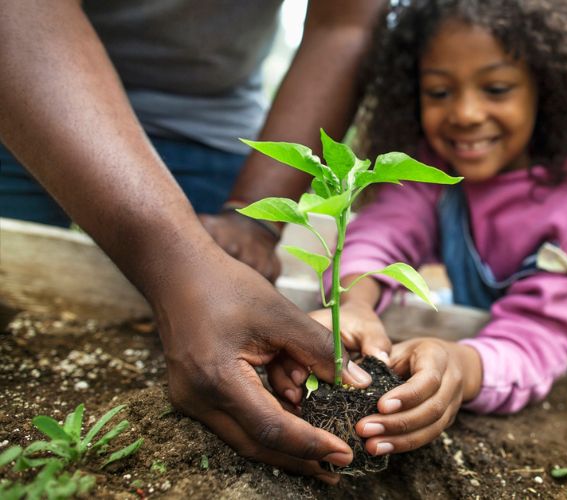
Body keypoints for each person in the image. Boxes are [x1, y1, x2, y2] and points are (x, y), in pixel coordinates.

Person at [0, 0, 388, 484]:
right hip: (23, 85)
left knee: (221, 322)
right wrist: (178, 263)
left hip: (205, 127)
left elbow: (344, 24)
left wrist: (255, 221)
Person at [269, 0, 567, 458]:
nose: (466, 113)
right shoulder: (434, 165)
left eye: (496, 88)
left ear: (548, 87)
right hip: (478, 321)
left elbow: (538, 338)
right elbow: (383, 234)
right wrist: (354, 305)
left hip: (559, 340)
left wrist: (462, 365)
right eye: (438, 92)